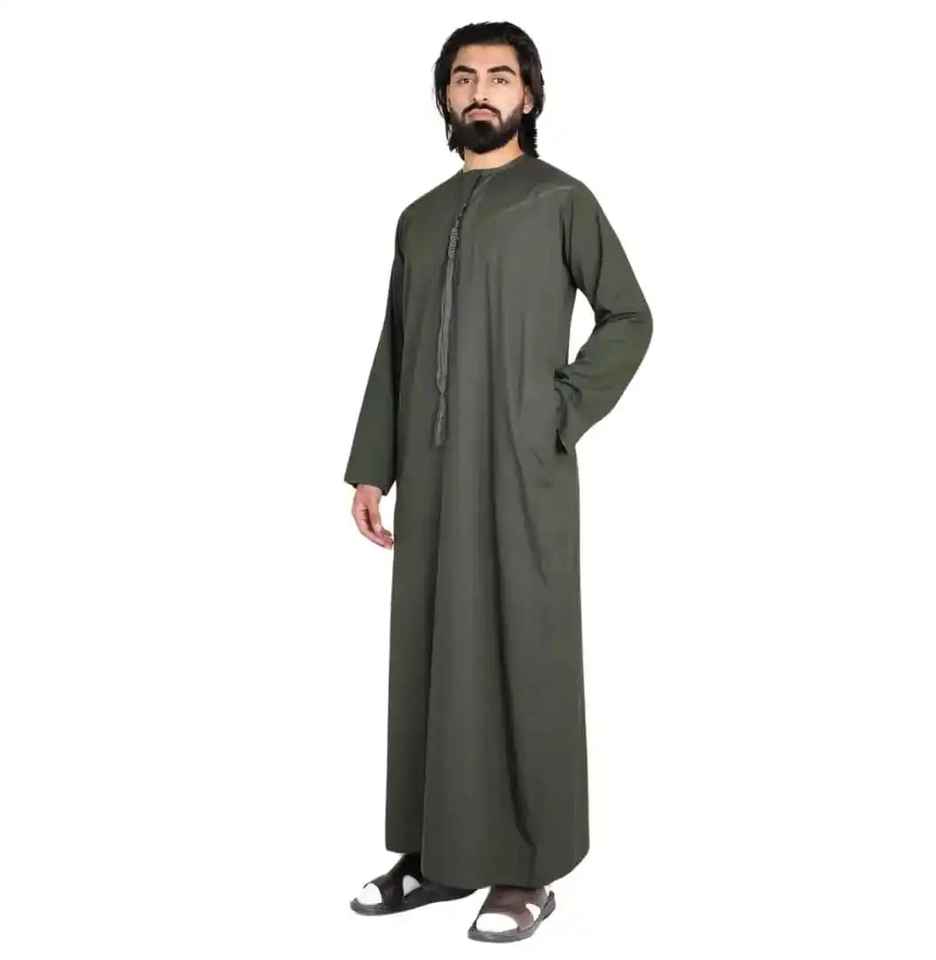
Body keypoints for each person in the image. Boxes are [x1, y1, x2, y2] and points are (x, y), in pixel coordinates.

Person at [344, 20, 653, 943]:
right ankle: (439, 854)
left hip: (524, 472)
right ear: (445, 95)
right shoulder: (419, 217)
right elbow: (397, 346)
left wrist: (558, 411)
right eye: (465, 77)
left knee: (525, 651)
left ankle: (527, 868)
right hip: (434, 473)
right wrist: (373, 466)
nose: (482, 91)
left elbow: (628, 316)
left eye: (501, 77)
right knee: (432, 654)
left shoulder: (560, 200)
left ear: (530, 93)